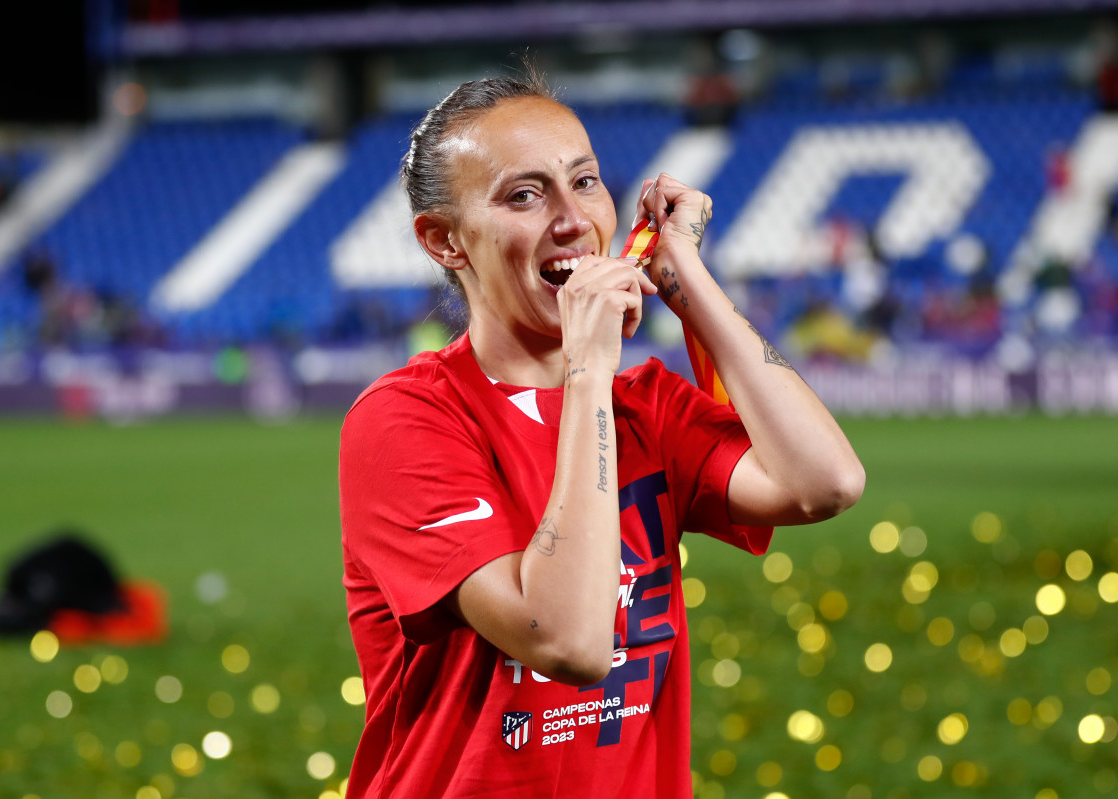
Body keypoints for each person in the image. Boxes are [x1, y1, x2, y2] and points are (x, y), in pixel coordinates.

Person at [338, 69, 865, 799]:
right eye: (524, 195)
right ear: (444, 241)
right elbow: (568, 641)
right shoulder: (405, 420)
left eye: (584, 182)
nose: (572, 218)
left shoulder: (647, 404)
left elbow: (826, 482)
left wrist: (686, 280)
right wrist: (585, 369)